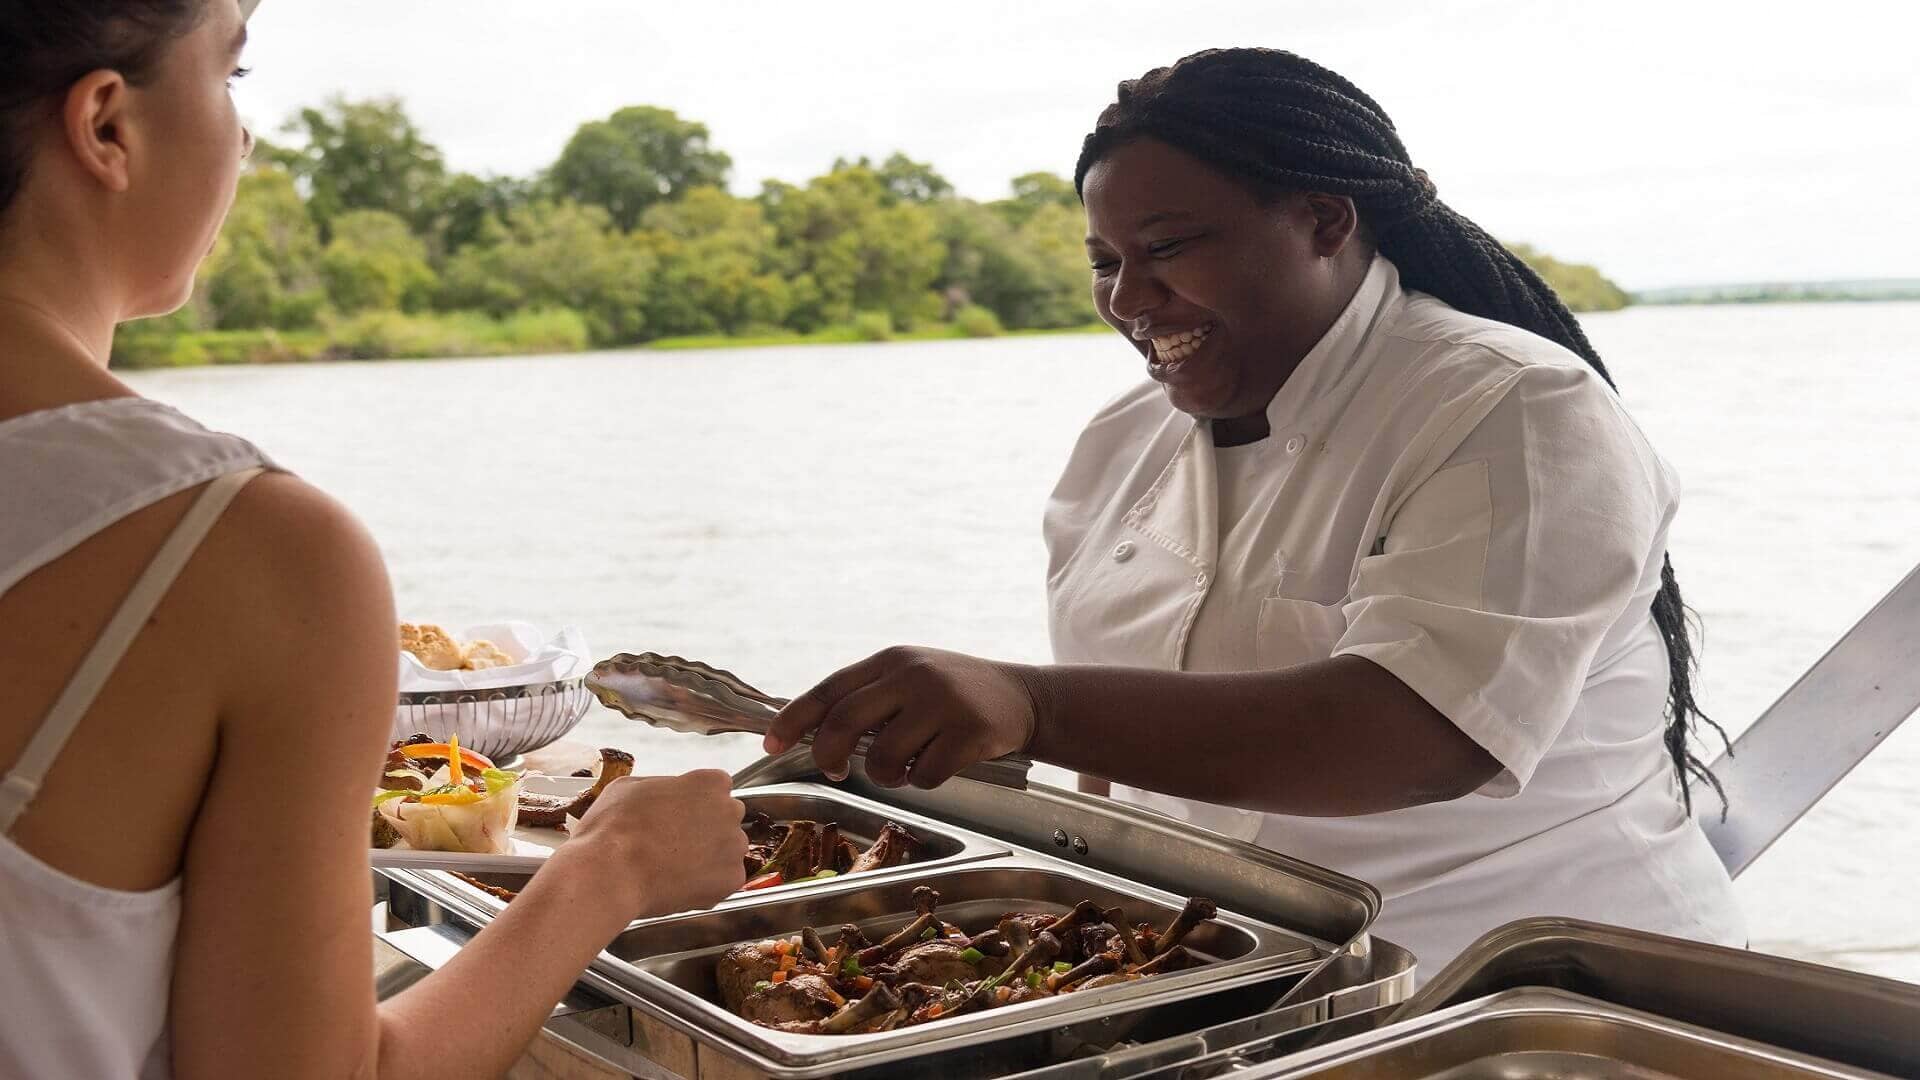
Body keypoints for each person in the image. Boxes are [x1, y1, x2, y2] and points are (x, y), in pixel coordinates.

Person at [767, 47, 1744, 976]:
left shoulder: (1512, 407)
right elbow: (1118, 756)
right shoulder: (1118, 442)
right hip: (1251, 977)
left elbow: (1417, 734)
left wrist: (1028, 706)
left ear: (1325, 220)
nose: (1129, 299)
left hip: (1534, 989)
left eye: (1169, 247)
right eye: (1104, 261)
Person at [0, 3, 747, 1077]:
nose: (245, 139)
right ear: (107, 125)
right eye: (231, 74)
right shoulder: (240, 546)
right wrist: (614, 868)